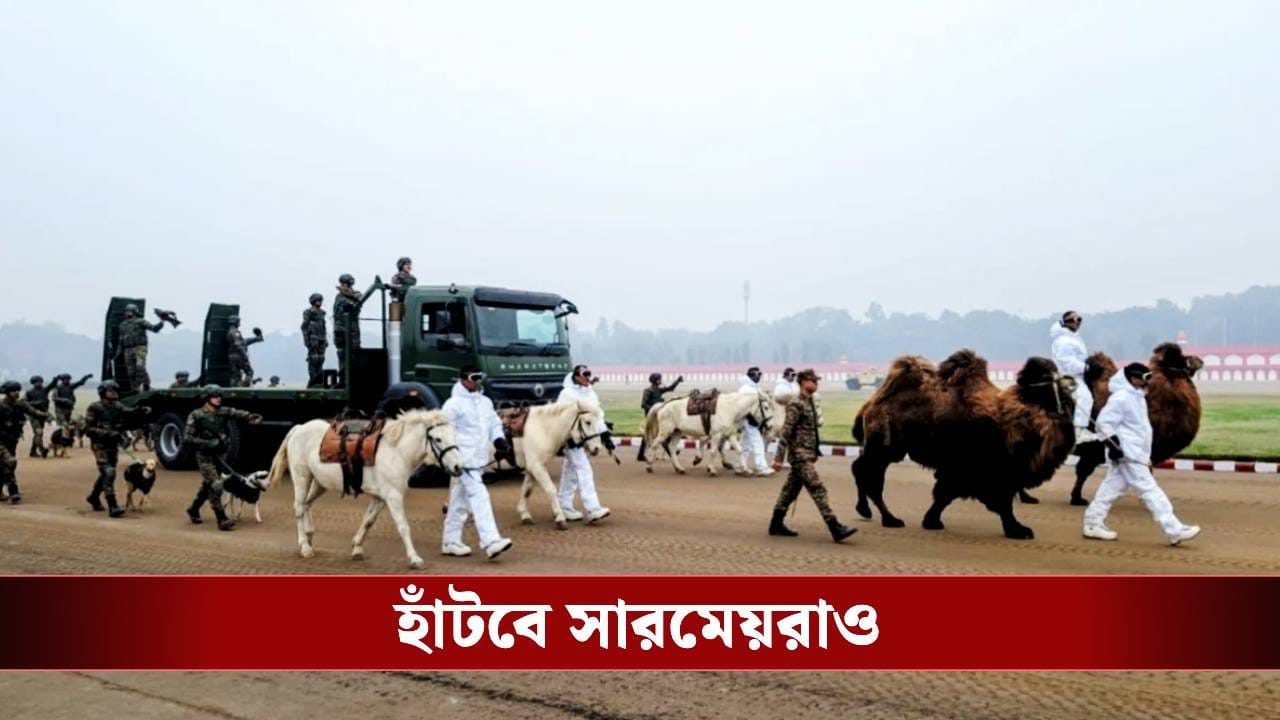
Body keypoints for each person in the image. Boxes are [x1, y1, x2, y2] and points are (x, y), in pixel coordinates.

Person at [1083, 363, 1201, 546]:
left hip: (1136, 452)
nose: (1148, 382)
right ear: (1133, 378)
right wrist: (1114, 445)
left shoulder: (1137, 397)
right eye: (1145, 378)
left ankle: (1092, 523)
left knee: (1110, 489)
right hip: (1128, 454)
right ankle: (1174, 530)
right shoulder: (1121, 398)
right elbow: (1104, 423)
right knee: (1150, 489)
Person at [769, 369, 857, 542]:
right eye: (813, 381)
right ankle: (834, 526)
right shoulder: (796, 404)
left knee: (790, 491)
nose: (816, 384)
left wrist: (814, 451)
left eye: (817, 381)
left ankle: (776, 523)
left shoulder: (809, 402)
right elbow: (786, 432)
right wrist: (778, 458)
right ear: (802, 382)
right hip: (800, 455)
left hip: (806, 454)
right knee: (817, 488)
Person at [441, 366, 514, 559]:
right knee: (480, 496)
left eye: (480, 377)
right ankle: (491, 541)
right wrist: (452, 458)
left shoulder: (485, 402)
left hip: (479, 458)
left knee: (459, 500)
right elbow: (445, 432)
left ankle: (450, 541)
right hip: (462, 460)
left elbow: (493, 424)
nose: (477, 381)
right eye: (474, 377)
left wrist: (499, 441)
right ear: (463, 379)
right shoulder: (452, 404)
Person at [183, 385, 261, 530]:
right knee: (216, 485)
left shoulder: (223, 412)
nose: (219, 399)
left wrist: (249, 416)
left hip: (218, 454)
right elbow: (187, 438)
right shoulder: (196, 415)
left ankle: (193, 509)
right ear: (207, 398)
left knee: (208, 484)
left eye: (220, 396)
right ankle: (221, 518)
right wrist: (206, 443)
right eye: (215, 396)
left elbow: (236, 413)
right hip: (204, 456)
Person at [83, 380, 150, 517]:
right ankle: (112, 505)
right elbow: (87, 430)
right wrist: (108, 433)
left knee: (106, 473)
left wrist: (139, 411)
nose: (113, 393)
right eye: (110, 390)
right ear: (102, 392)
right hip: (99, 445)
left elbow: (128, 412)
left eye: (115, 390)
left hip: (112, 445)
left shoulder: (117, 406)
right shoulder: (94, 407)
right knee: (109, 472)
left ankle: (94, 497)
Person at [558, 364, 611, 523]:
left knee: (570, 472)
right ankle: (593, 509)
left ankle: (564, 506)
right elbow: (561, 416)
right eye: (585, 374)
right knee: (585, 470)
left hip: (586, 438)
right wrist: (568, 436)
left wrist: (605, 435)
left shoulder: (591, 393)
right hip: (572, 439)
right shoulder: (567, 394)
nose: (588, 377)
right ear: (576, 376)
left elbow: (598, 416)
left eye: (589, 373)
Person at [1, 381, 51, 503]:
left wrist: (47, 415)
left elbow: (34, 412)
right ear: (7, 392)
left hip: (12, 440)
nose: (16, 393)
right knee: (10, 462)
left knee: (6, 466)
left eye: (18, 390)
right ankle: (14, 492)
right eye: (13, 391)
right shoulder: (1, 406)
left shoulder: (20, 404)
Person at [636, 372, 683, 462]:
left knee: (662, 433)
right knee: (652, 434)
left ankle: (670, 452)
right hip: (651, 417)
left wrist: (677, 381)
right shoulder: (648, 391)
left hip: (659, 416)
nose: (661, 380)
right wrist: (655, 409)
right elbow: (644, 405)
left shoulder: (658, 390)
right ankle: (670, 452)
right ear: (655, 380)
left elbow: (670, 388)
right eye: (659, 379)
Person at [117, 303, 165, 392]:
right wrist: (117, 353)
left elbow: (154, 328)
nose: (127, 313)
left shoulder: (141, 321)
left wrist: (161, 322)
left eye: (129, 311)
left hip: (139, 348)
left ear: (134, 312)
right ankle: (135, 389)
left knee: (140, 367)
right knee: (130, 372)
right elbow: (120, 340)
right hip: (128, 350)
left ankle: (143, 386)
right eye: (126, 311)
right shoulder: (122, 325)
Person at [737, 366, 772, 476]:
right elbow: (742, 406)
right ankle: (761, 467)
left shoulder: (755, 388)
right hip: (748, 419)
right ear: (751, 375)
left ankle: (740, 465)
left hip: (754, 420)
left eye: (760, 374)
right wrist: (751, 419)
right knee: (758, 443)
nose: (759, 376)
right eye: (757, 374)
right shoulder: (745, 389)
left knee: (745, 444)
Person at [333, 274, 363, 384]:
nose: (342, 286)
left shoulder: (357, 294)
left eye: (344, 284)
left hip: (352, 330)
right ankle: (342, 379)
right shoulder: (338, 296)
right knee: (341, 354)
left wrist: (345, 292)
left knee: (354, 354)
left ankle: (353, 380)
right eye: (342, 284)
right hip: (339, 330)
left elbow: (358, 301)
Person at [226, 315, 264, 387]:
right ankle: (244, 389)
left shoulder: (229, 331)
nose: (239, 323)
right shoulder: (235, 332)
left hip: (231, 356)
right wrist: (244, 355)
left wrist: (255, 339)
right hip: (238, 356)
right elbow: (238, 344)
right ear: (235, 322)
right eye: (238, 321)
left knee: (235, 375)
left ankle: (234, 389)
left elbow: (243, 342)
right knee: (249, 372)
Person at [301, 292, 328, 387]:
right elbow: (304, 327)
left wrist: (325, 339)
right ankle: (313, 380)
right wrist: (306, 339)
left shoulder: (322, 313)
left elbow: (324, 327)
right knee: (313, 359)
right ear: (313, 301)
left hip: (322, 338)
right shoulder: (308, 312)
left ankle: (319, 380)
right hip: (313, 338)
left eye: (320, 300)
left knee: (321, 359)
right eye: (317, 300)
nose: (319, 302)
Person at [23, 375, 53, 458]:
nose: (39, 383)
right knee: (39, 432)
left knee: (38, 434)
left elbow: (51, 386)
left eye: (40, 382)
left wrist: (55, 380)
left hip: (42, 415)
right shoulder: (29, 392)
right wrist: (36, 403)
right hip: (33, 415)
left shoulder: (44, 390)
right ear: (33, 383)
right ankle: (42, 449)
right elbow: (24, 403)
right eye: (37, 382)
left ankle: (33, 451)